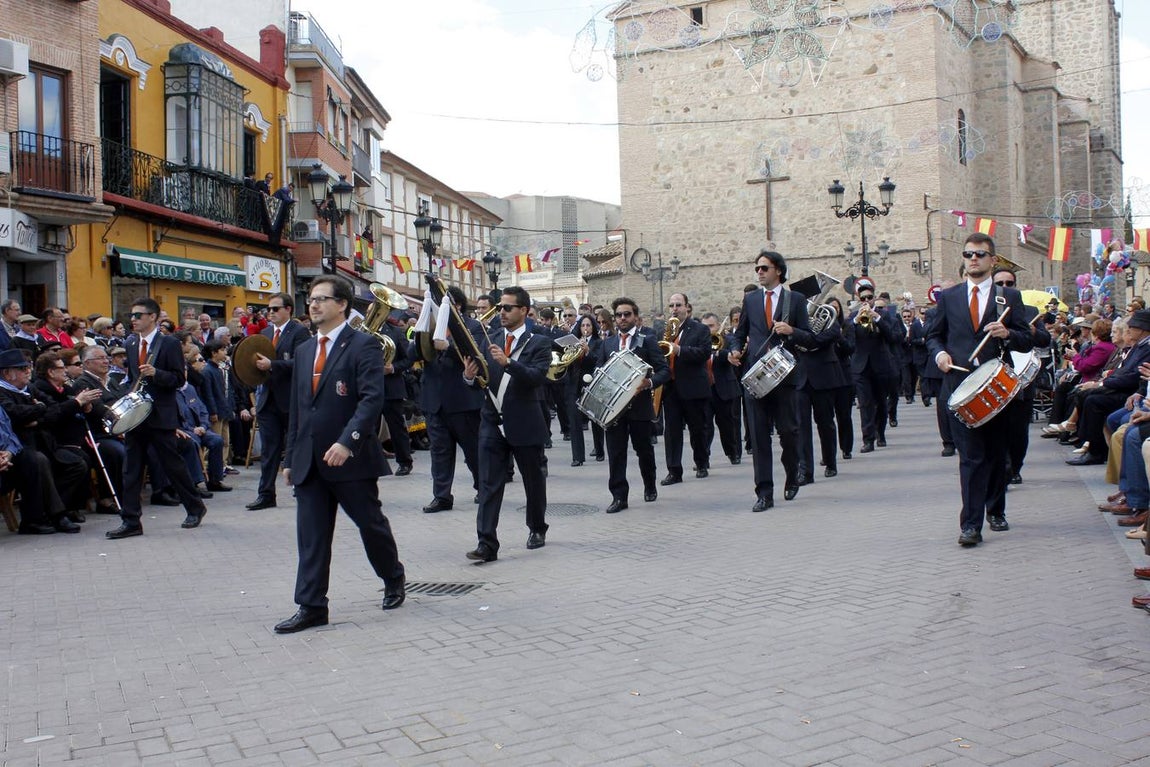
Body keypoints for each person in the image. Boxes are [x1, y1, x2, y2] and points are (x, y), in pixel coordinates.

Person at [274, 275, 406, 633]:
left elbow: (371, 399)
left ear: (342, 304)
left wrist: (348, 441)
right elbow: (299, 409)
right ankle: (312, 606)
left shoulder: (364, 345)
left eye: (322, 299)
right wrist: (290, 457)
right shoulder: (305, 350)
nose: (313, 305)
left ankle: (392, 576)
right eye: (311, 299)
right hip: (310, 460)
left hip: (351, 459)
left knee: (370, 524)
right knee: (312, 536)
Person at [925, 233, 1033, 547]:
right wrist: (939, 355)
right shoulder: (949, 297)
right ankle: (971, 525)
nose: (973, 259)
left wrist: (1007, 333)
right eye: (968, 254)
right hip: (959, 387)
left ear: (993, 260)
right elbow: (933, 336)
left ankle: (996, 510)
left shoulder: (1008, 298)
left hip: (997, 389)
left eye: (980, 254)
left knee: (997, 455)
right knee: (970, 458)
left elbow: (1027, 339)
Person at [462, 286, 552, 561]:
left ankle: (537, 527)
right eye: (500, 307)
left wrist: (509, 363)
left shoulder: (539, 342)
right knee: (488, 483)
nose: (501, 312)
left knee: (533, 481)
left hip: (525, 421)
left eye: (508, 308)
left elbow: (537, 377)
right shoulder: (490, 339)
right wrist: (468, 377)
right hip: (492, 421)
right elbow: (480, 381)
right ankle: (486, 543)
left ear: (524, 310)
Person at [106, 297, 208, 539]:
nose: (133, 320)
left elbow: (179, 379)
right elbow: (132, 378)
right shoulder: (131, 342)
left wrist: (157, 373)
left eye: (138, 315)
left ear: (152, 317)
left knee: (172, 465)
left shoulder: (168, 343)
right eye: (131, 315)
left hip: (161, 414)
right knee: (131, 469)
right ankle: (131, 521)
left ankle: (195, 507)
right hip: (137, 415)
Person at [730, 250, 815, 512]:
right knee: (758, 437)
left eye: (764, 268)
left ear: (778, 270)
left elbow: (809, 337)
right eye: (757, 268)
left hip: (785, 377)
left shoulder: (795, 299)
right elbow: (740, 333)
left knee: (789, 433)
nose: (759, 272)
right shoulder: (751, 299)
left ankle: (792, 474)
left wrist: (792, 330)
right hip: (756, 376)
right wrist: (734, 350)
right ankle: (764, 493)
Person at [599, 297, 671, 513]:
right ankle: (619, 497)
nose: (622, 318)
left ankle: (650, 485)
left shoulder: (647, 340)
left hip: (640, 407)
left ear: (635, 317)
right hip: (614, 409)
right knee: (616, 453)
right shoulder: (607, 343)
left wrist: (650, 382)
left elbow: (664, 370)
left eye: (627, 314)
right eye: (619, 315)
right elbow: (598, 369)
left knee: (644, 450)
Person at [419, 286, 483, 513]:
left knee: (473, 451)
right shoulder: (430, 324)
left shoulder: (472, 326)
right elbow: (413, 354)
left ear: (457, 305)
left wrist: (449, 347)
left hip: (462, 400)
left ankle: (483, 487)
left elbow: (475, 355)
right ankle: (442, 496)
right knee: (439, 453)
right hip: (434, 401)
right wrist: (420, 336)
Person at [248, 294, 308, 510]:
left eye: (275, 309)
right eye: (269, 309)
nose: (270, 313)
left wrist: (272, 365)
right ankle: (265, 494)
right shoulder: (265, 333)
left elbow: (302, 361)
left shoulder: (299, 331)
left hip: (290, 398)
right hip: (268, 399)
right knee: (269, 450)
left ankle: (301, 487)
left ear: (288, 309)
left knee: (296, 446)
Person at [659, 293, 713, 484]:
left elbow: (704, 353)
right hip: (671, 388)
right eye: (671, 305)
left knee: (697, 430)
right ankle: (674, 471)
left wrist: (679, 350)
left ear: (687, 308)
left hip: (693, 387)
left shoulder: (700, 329)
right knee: (671, 432)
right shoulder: (665, 331)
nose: (674, 309)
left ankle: (701, 463)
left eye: (678, 305)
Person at [847, 278, 900, 452]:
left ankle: (880, 433)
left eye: (869, 298)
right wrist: (855, 322)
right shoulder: (853, 317)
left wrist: (877, 318)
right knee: (865, 403)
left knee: (880, 402)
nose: (866, 301)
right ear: (859, 299)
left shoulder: (884, 315)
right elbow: (848, 338)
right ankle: (868, 439)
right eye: (863, 298)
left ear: (874, 298)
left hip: (880, 364)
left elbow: (893, 337)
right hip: (861, 366)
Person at [701, 311, 742, 465]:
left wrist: (722, 353)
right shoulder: (699, 341)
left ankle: (733, 452)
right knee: (704, 426)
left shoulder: (728, 338)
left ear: (718, 326)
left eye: (711, 326)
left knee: (727, 424)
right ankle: (703, 458)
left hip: (723, 387)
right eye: (705, 327)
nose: (708, 330)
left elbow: (734, 348)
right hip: (705, 389)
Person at [565, 314, 604, 466]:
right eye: (582, 325)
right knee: (574, 421)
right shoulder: (573, 342)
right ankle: (577, 457)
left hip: (591, 384)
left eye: (588, 325)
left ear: (593, 327)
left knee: (595, 420)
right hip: (574, 385)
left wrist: (587, 351)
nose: (585, 328)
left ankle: (599, 450)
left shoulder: (599, 343)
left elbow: (599, 361)